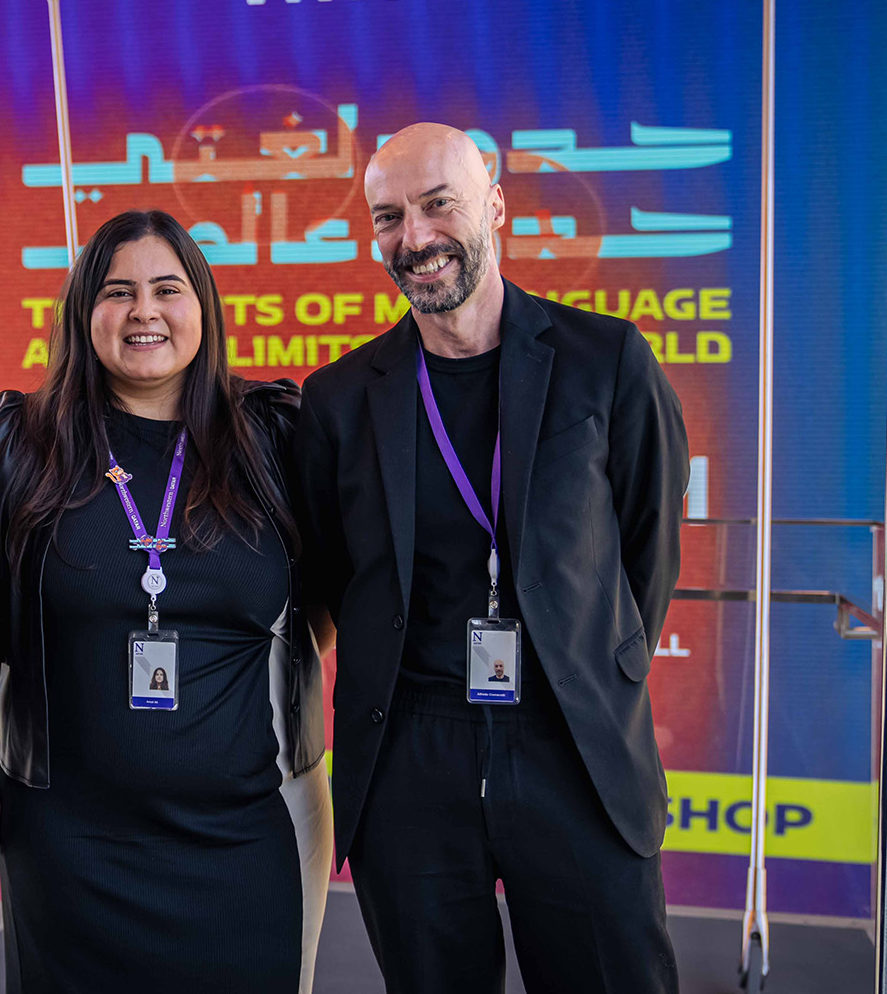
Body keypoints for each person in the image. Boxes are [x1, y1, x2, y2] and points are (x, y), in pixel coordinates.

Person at [295, 123, 688, 993]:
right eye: (390, 217)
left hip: (573, 743)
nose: (417, 238)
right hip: (409, 758)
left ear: (496, 208)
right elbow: (330, 577)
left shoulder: (607, 362)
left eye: (440, 205)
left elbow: (646, 548)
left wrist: (588, 663)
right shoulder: (339, 402)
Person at [0, 209, 333, 993]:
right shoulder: (19, 440)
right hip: (68, 844)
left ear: (204, 306)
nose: (143, 312)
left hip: (242, 837)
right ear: (82, 312)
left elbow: (324, 600)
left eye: (168, 288)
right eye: (117, 292)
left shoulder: (274, 436)